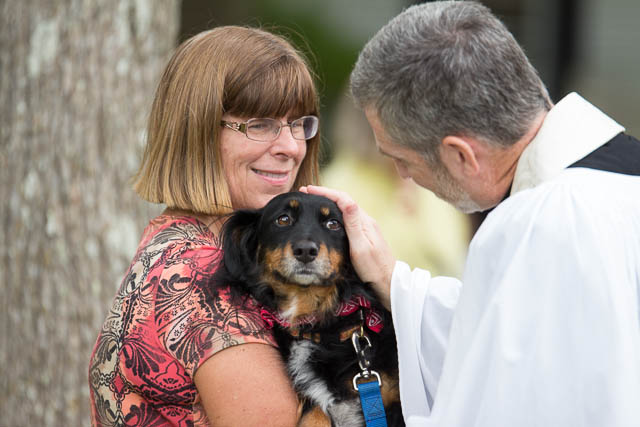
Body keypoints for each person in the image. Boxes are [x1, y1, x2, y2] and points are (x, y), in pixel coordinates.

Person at [303, 1, 640, 426]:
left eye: (401, 159)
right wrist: (394, 282)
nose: (403, 174)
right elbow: (511, 342)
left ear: (461, 156)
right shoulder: (615, 184)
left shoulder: (542, 221)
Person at [89, 26, 321, 426]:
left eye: (299, 123)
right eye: (261, 124)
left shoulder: (175, 237)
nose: (292, 146)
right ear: (197, 131)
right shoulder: (201, 275)